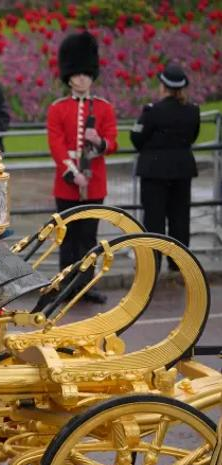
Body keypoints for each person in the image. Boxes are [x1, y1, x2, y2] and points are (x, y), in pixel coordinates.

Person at [46, 31, 117, 304]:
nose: (81, 78)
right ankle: (65, 284)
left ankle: (86, 286)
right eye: (76, 74)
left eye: (85, 74)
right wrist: (72, 172)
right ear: (69, 76)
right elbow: (56, 143)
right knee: (67, 237)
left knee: (88, 238)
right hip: (67, 183)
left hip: (95, 181)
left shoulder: (103, 108)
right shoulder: (57, 108)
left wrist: (98, 142)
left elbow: (112, 142)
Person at [131, 63, 200, 273]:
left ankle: (153, 263)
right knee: (180, 218)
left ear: (163, 86)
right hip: (182, 170)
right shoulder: (193, 111)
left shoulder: (152, 111)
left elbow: (137, 137)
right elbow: (192, 137)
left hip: (154, 170)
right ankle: (179, 262)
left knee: (154, 219)